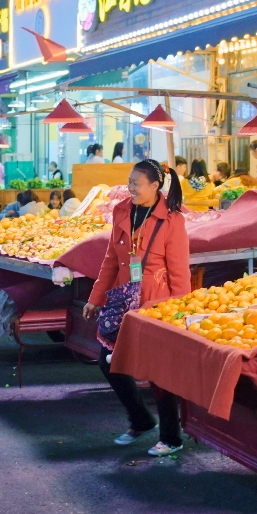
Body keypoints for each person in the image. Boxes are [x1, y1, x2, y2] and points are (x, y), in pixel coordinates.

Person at [83, 160, 190, 457]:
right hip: (122, 302)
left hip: (157, 305)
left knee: (159, 372)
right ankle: (141, 419)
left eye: (136, 183)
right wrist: (95, 298)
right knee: (108, 361)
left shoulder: (172, 220)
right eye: (129, 182)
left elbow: (180, 273)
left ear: (155, 187)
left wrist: (179, 313)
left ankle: (171, 437)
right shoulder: (122, 211)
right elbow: (109, 260)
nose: (130, 188)